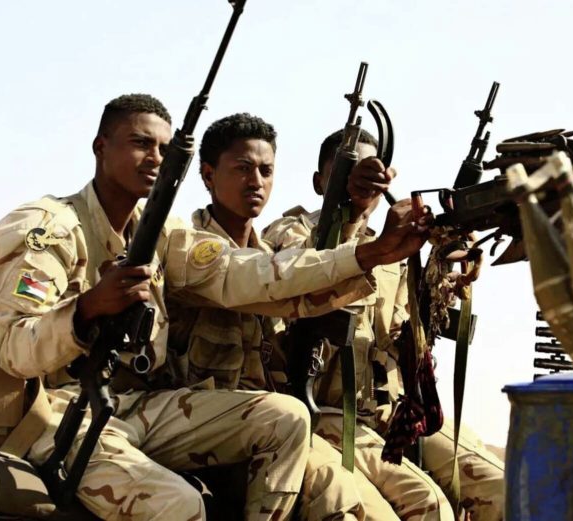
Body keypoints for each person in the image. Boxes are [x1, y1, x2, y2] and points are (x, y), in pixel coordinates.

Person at [0, 94, 431, 521]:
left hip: (138, 405)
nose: (154, 158)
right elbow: (13, 348)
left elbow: (248, 273)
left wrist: (367, 253)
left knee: (287, 416)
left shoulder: (162, 236)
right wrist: (87, 309)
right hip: (61, 411)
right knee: (179, 504)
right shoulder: (50, 228)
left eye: (164, 149)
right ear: (100, 147)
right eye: (140, 143)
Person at [167, 112, 409, 521]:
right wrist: (362, 239)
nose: (255, 182)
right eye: (242, 169)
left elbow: (305, 276)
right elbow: (274, 277)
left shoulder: (268, 255)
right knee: (337, 496)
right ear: (208, 175)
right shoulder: (190, 251)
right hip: (204, 425)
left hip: (274, 424)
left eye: (266, 171)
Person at [263, 129, 506, 521]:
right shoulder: (290, 232)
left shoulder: (393, 251)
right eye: (348, 174)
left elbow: (406, 337)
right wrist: (352, 218)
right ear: (320, 182)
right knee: (428, 507)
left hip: (388, 413)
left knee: (501, 488)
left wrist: (441, 275)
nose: (362, 184)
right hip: (324, 412)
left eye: (371, 174)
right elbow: (303, 271)